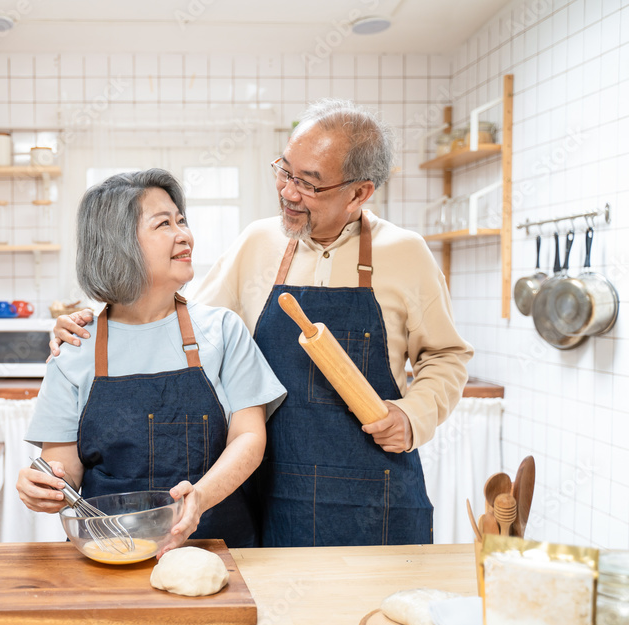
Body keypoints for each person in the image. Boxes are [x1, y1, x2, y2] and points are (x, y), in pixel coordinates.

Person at [51, 100, 474, 548]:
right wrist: (92, 324)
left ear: (359, 193)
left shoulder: (406, 254)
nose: (288, 192)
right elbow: (174, 318)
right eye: (285, 171)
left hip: (376, 490)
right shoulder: (258, 242)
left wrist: (412, 415)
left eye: (309, 184)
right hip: (274, 490)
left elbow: (446, 355)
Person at [17, 169, 286, 553]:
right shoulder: (75, 347)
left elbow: (249, 437)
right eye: (164, 224)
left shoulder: (223, 331)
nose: (184, 235)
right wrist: (43, 489)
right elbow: (63, 472)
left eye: (182, 220)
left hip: (216, 547)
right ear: (118, 244)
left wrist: (198, 500)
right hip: (106, 553)